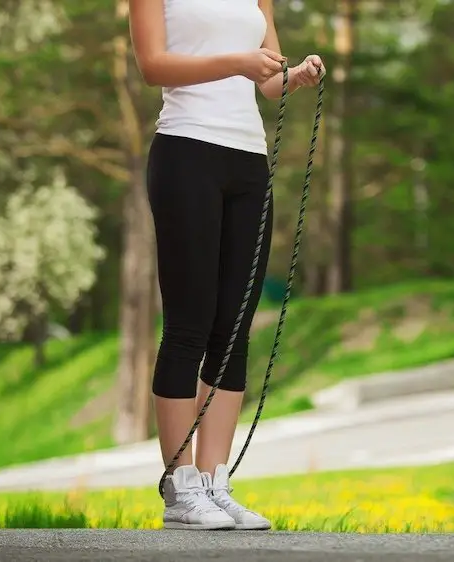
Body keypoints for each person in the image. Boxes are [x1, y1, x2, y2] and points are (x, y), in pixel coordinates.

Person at [128, 0, 325, 531]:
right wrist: (236, 62)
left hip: (247, 160)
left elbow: (268, 79)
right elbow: (153, 66)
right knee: (189, 326)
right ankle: (180, 486)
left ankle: (215, 483)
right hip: (185, 151)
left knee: (233, 328)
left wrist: (296, 76)